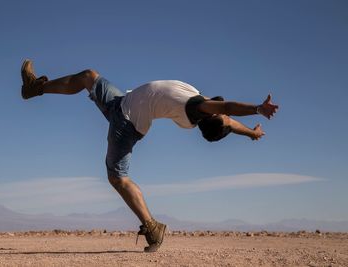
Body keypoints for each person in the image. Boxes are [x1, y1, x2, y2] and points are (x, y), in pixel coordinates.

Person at [20, 60, 279, 252]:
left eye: (223, 114)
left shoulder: (198, 108)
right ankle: (34, 89)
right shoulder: (203, 106)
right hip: (121, 102)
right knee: (89, 76)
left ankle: (152, 228)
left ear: (212, 115)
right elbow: (230, 122)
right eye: (227, 118)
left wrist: (257, 108)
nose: (228, 116)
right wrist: (252, 134)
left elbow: (228, 108)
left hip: (126, 123)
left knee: (117, 177)